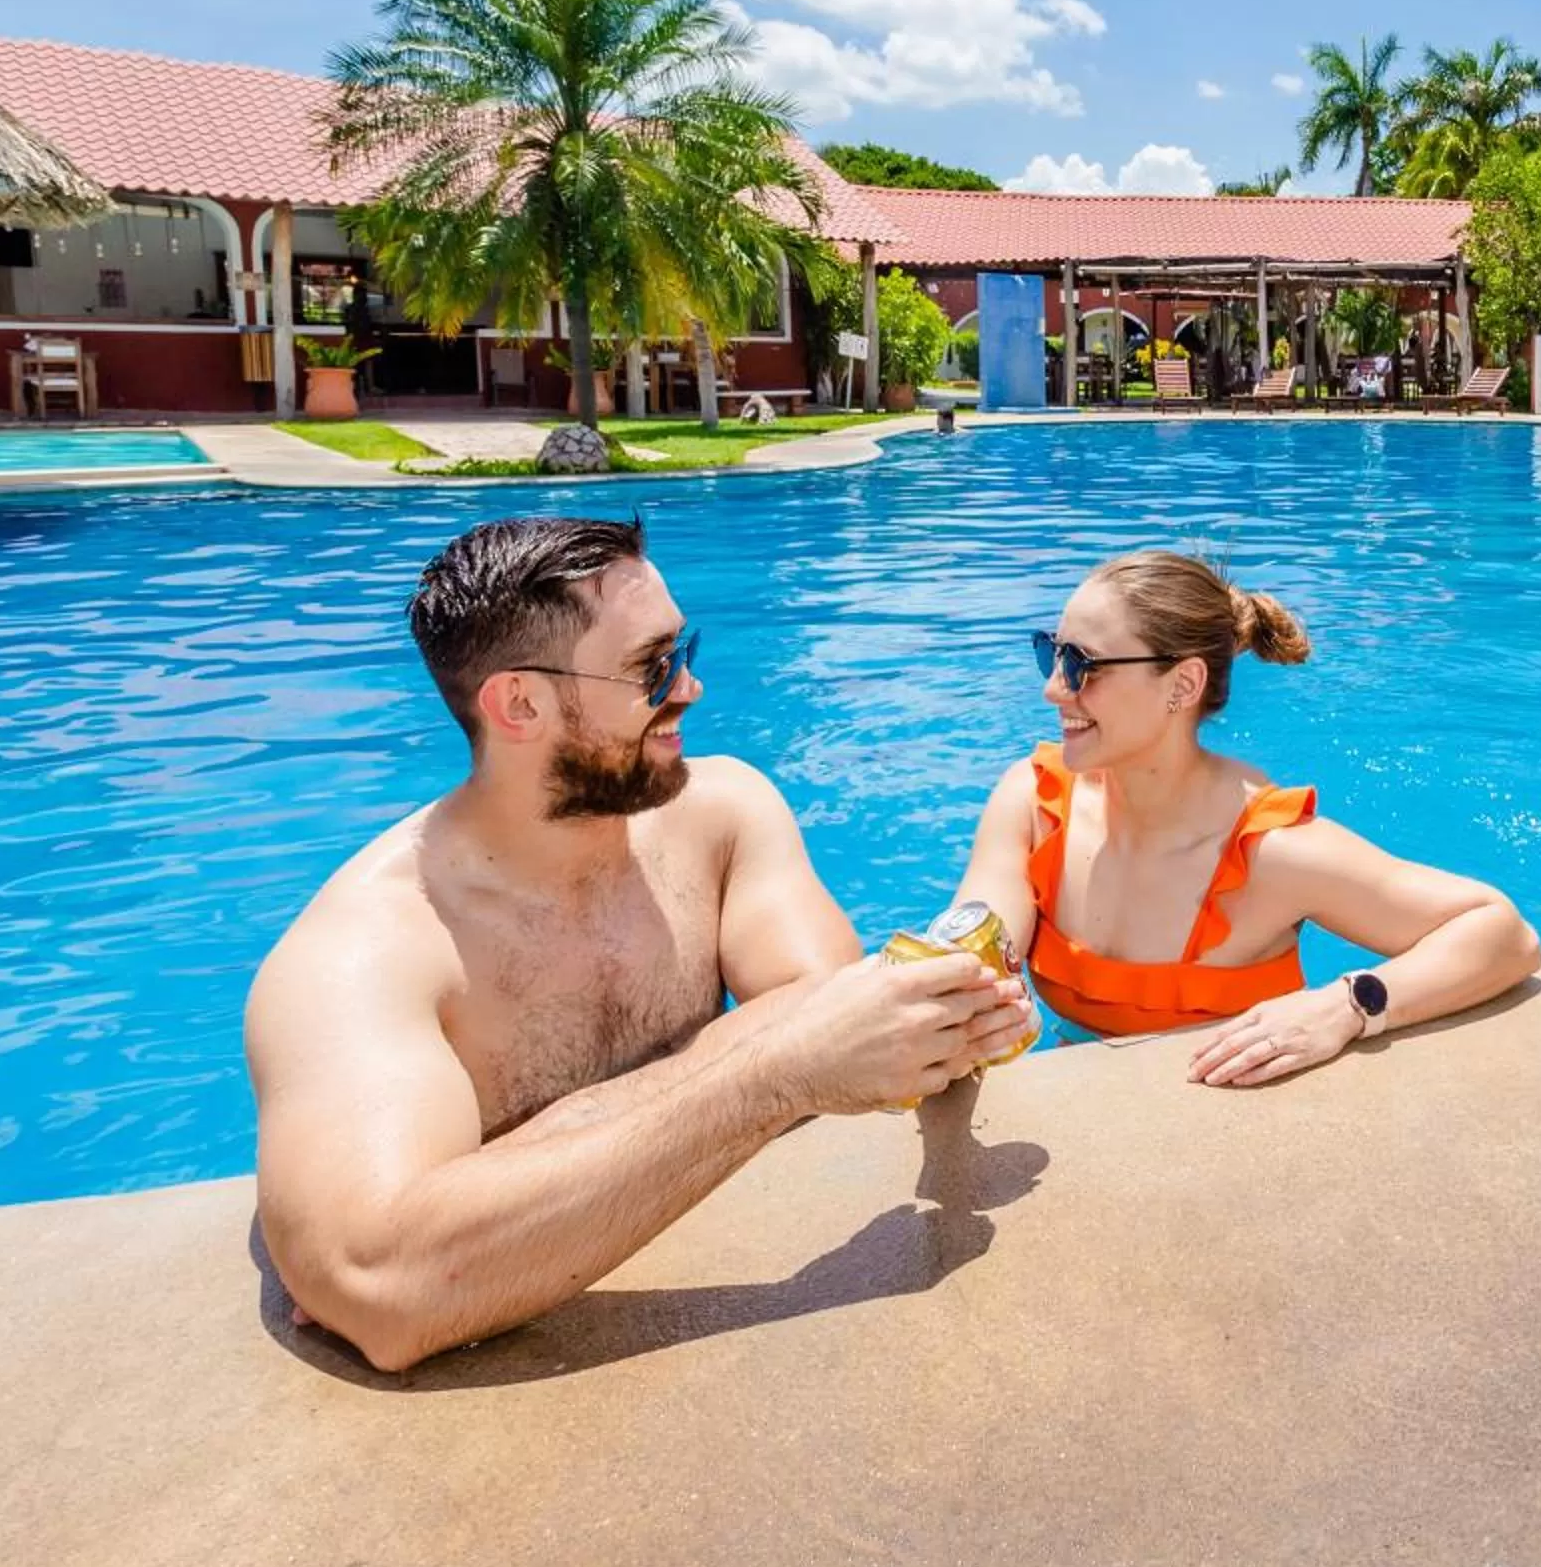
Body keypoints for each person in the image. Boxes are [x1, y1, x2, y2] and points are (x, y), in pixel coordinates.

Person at [245, 516, 1031, 1372]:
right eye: (652, 666)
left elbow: (828, 1002)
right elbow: (387, 1292)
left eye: (681, 649)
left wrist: (484, 1187)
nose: (689, 687)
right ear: (519, 704)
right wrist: (776, 1073)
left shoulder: (723, 814)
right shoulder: (362, 953)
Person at [951, 551, 1541, 1088]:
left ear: (1182, 684)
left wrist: (1347, 1007)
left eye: (1083, 665)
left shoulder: (1269, 852)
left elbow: (1504, 935)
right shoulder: (1034, 803)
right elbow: (969, 938)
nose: (1055, 689)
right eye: (1050, 653)